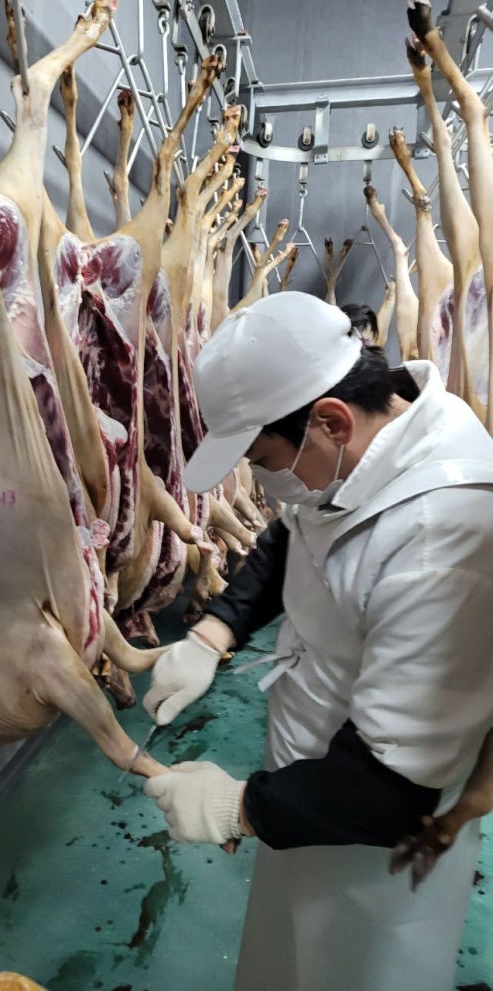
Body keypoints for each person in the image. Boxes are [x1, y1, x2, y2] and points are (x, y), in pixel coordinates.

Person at [141, 291, 493, 991]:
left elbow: (392, 786)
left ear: (330, 420)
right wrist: (214, 631)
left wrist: (238, 807)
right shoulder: (364, 455)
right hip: (304, 794)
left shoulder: (444, 540)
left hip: (374, 851)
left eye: (263, 459)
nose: (264, 484)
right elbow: (295, 533)